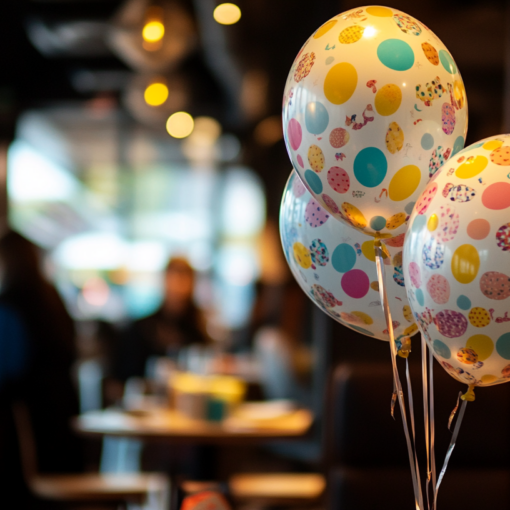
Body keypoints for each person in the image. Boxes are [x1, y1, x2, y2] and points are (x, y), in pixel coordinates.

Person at [0, 230, 83, 504]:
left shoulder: (11, 305)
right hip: (63, 419)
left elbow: (9, 371)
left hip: (29, 427)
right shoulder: (51, 297)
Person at [114, 256, 209, 381]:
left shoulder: (198, 329)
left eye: (183, 278)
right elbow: (124, 376)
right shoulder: (142, 328)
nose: (177, 286)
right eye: (173, 278)